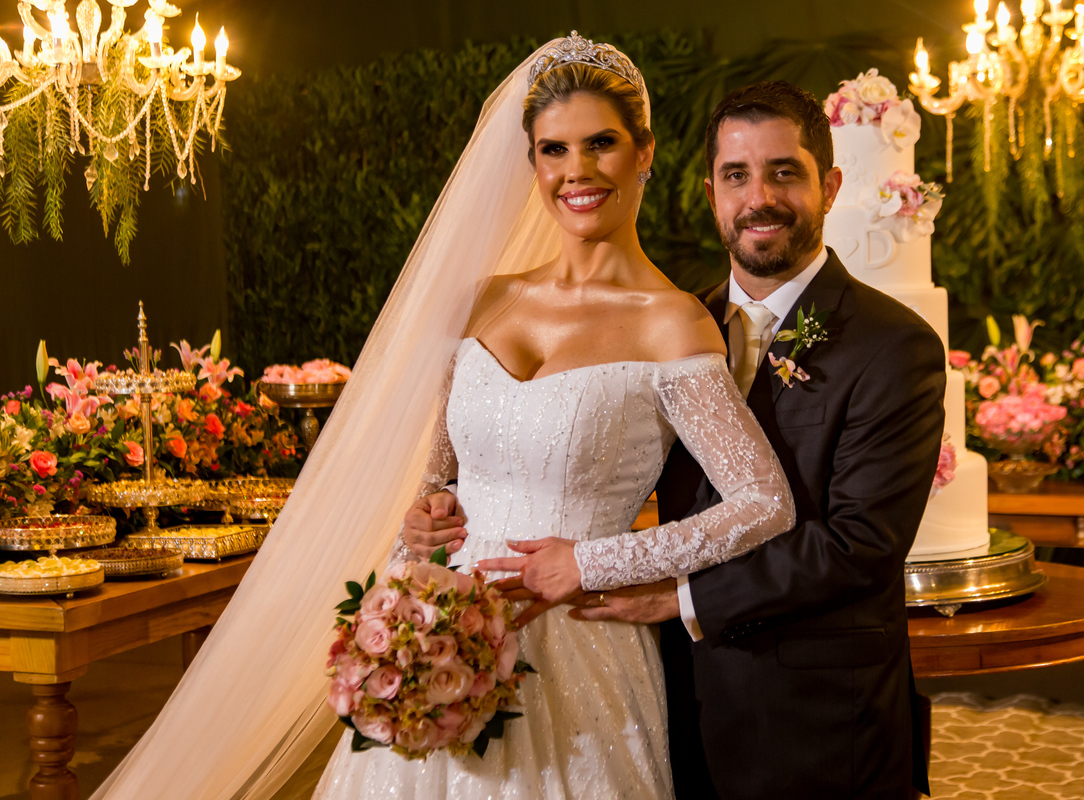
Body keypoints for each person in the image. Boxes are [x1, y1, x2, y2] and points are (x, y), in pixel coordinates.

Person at [407, 82, 945, 799]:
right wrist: (440, 510)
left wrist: (681, 597)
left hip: (815, 712)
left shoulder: (893, 344)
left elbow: (860, 547)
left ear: (831, 184)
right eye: (736, 175)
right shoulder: (678, 315)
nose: (760, 197)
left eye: (785, 172)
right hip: (671, 693)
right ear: (710, 190)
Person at [308, 36, 799, 798]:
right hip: (439, 637)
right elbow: (445, 469)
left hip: (579, 648)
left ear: (644, 154)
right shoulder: (484, 298)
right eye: (554, 150)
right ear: (532, 164)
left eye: (601, 144)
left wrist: (593, 563)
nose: (577, 171)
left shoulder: (672, 323)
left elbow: (765, 503)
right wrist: (426, 514)